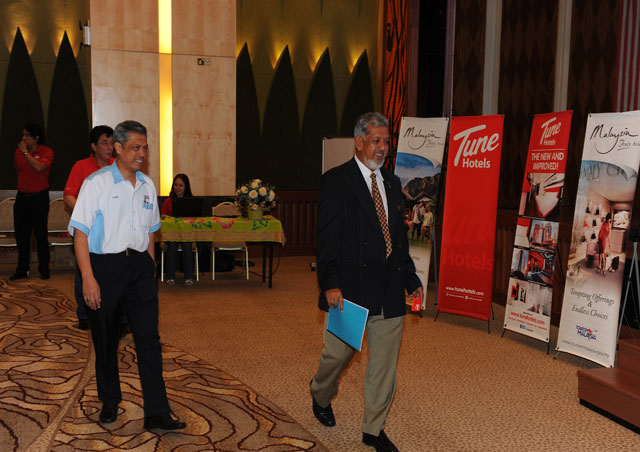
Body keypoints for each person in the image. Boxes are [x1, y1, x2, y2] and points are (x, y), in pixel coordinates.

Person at [310, 112, 423, 452]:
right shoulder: (336, 181)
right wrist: (329, 282)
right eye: (376, 141)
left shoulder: (392, 182)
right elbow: (327, 238)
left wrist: (411, 278)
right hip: (350, 287)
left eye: (386, 141)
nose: (382, 148)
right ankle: (320, 392)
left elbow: (398, 238)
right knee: (338, 355)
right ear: (359, 142)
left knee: (384, 364)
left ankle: (373, 429)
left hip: (389, 285)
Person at [68, 120, 186, 430]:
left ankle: (157, 412)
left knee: (149, 339)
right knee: (106, 339)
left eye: (144, 147)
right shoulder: (96, 183)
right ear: (118, 149)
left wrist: (150, 267)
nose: (141, 153)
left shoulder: (147, 185)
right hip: (105, 268)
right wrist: (88, 279)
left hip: (140, 269)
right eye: (135, 147)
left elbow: (150, 231)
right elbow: (80, 233)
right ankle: (110, 400)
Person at [63, 125, 115, 330]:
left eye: (112, 143)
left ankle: (116, 314)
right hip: (86, 229)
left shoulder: (117, 166)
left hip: (111, 229)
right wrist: (86, 212)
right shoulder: (81, 166)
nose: (109, 147)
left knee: (112, 271)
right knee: (84, 272)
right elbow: (68, 196)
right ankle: (84, 315)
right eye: (104, 143)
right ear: (93, 146)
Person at [11, 123, 54, 281]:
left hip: (39, 198)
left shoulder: (47, 152)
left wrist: (25, 152)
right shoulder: (18, 152)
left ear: (36, 138)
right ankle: (22, 269)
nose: (23, 138)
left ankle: (44, 268)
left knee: (41, 234)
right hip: (22, 198)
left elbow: (39, 167)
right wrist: (23, 152)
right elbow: (19, 171)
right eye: (23, 135)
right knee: (21, 235)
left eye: (26, 135)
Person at [160, 174, 195, 285]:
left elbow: (194, 221)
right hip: (171, 235)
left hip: (187, 235)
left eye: (181, 185)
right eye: (176, 185)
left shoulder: (191, 201)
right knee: (172, 243)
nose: (178, 187)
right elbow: (163, 221)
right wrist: (162, 239)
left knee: (187, 244)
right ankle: (170, 276)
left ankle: (189, 277)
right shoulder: (168, 202)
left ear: (186, 187)